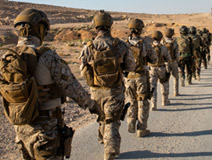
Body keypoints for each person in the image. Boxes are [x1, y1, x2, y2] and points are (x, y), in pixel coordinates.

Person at [0, 8, 100, 160]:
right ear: (38, 28)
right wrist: (92, 106)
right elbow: (72, 87)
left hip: (20, 129)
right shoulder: (47, 55)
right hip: (45, 127)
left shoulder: (7, 57)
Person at [79, 10, 136, 160]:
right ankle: (110, 151)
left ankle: (103, 139)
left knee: (102, 117)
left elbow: (82, 69)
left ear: (95, 26)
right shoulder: (120, 45)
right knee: (112, 120)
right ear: (110, 25)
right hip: (114, 90)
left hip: (96, 91)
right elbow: (131, 66)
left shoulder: (88, 47)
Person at [124, 18, 157, 137]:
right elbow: (154, 60)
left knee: (131, 101)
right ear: (140, 29)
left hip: (128, 77)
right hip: (141, 77)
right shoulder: (145, 44)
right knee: (142, 102)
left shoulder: (123, 44)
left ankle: (130, 122)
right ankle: (141, 129)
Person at [149, 31, 171, 110]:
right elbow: (168, 58)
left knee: (153, 86)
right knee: (164, 84)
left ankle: (153, 104)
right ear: (160, 38)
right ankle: (164, 101)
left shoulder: (149, 47)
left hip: (152, 69)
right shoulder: (163, 47)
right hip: (161, 68)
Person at [162, 28, 180, 96]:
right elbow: (177, 54)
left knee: (166, 79)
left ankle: (166, 96)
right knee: (176, 77)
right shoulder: (174, 42)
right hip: (173, 62)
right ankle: (176, 92)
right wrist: (177, 60)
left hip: (165, 63)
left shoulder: (162, 42)